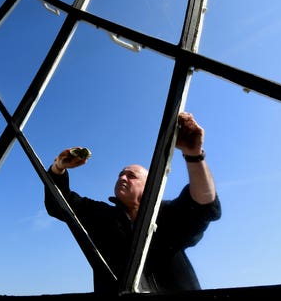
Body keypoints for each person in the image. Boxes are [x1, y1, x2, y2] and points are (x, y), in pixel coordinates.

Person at [44, 112, 221, 294]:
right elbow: (58, 204)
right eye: (121, 173)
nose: (122, 177)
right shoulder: (101, 216)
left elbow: (203, 207)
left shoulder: (168, 215)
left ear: (149, 185)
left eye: (131, 175)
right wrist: (58, 167)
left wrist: (193, 154)